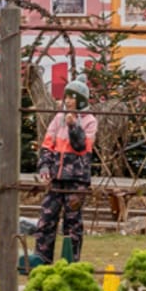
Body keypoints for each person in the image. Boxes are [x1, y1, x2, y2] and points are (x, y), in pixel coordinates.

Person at [35, 76, 97, 266]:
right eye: (66, 96)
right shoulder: (57, 118)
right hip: (56, 179)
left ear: (81, 100)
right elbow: (47, 145)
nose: (67, 100)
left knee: (72, 225)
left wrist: (73, 126)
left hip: (76, 181)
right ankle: (41, 260)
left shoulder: (90, 121)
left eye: (72, 97)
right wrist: (45, 166)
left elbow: (81, 146)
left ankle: (70, 263)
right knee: (46, 220)